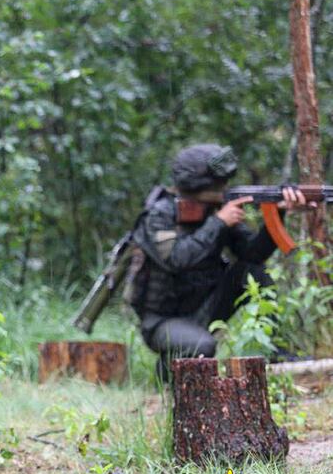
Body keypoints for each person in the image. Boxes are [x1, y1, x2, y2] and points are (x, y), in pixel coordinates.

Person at [132, 144, 314, 380]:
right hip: (162, 320)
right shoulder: (160, 214)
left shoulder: (214, 210)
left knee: (251, 272)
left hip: (206, 307)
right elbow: (176, 259)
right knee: (203, 347)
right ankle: (167, 370)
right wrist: (218, 222)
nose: (224, 189)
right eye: (219, 185)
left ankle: (272, 349)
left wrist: (278, 212)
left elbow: (253, 254)